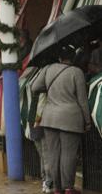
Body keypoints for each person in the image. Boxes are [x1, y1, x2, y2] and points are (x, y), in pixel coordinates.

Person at [32, 45, 92, 194]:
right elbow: (82, 100)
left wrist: (49, 89)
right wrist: (87, 121)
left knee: (53, 154)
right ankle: (68, 188)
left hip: (50, 117)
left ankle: (57, 188)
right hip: (70, 119)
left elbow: (34, 87)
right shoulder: (76, 72)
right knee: (68, 154)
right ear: (73, 58)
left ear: (59, 57)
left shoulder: (48, 68)